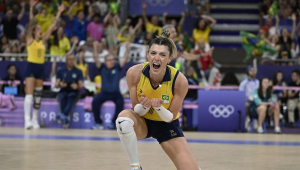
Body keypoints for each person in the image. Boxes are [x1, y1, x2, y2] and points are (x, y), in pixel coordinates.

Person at [116, 30, 200, 170]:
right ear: (147, 54)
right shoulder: (134, 73)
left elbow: (170, 117)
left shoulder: (179, 81)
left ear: (169, 59)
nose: (157, 58)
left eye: (162, 55)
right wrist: (144, 106)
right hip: (143, 121)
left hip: (166, 125)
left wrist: (158, 107)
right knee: (123, 120)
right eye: (153, 53)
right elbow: (136, 109)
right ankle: (135, 166)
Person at [23, 0, 65, 129]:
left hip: (40, 68)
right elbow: (30, 23)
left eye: (41, 29)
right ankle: (27, 121)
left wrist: (58, 13)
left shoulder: (43, 40)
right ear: (34, 31)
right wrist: (31, 9)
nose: (40, 30)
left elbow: (52, 26)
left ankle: (35, 119)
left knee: (37, 96)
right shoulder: (30, 39)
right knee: (29, 95)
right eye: (38, 29)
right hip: (31, 66)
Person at [91, 41, 130, 130]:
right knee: (95, 101)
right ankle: (98, 123)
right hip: (104, 93)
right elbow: (96, 57)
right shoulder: (102, 67)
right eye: (109, 60)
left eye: (113, 60)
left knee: (120, 102)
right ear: (105, 62)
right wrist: (95, 48)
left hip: (115, 93)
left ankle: (113, 123)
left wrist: (127, 48)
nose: (112, 61)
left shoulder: (117, 67)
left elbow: (125, 58)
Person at [55, 54, 83, 128]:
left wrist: (76, 86)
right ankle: (65, 118)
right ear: (66, 60)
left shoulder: (78, 71)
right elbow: (56, 84)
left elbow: (81, 85)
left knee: (71, 97)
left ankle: (63, 115)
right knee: (62, 97)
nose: (71, 61)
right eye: (69, 59)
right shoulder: (61, 70)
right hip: (63, 90)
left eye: (73, 59)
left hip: (74, 92)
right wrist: (60, 84)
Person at [239, 65, 259, 131]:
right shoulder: (243, 83)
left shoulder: (258, 82)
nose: (252, 72)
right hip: (248, 101)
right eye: (251, 71)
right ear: (247, 72)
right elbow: (241, 94)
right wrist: (246, 100)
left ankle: (257, 122)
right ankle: (248, 119)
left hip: (257, 101)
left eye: (253, 71)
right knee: (245, 105)